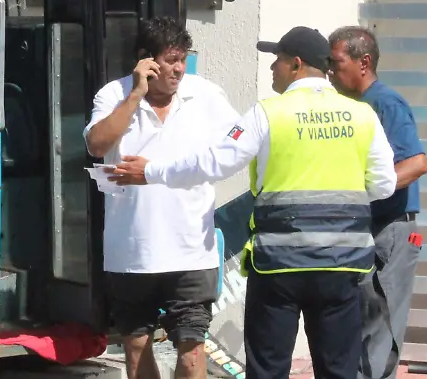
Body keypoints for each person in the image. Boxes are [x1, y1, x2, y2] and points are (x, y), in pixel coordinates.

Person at [110, 26, 396, 379]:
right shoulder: (361, 115)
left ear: (296, 64)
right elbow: (384, 185)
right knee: (338, 370)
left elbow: (215, 162)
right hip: (341, 265)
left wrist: (152, 171)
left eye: (278, 60)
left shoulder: (268, 113)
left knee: (268, 369)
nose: (273, 68)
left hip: (279, 266)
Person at [84, 16, 241, 379]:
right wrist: (135, 95)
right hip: (131, 253)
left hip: (191, 250)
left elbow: (239, 137)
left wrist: (211, 163)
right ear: (146, 60)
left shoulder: (205, 95)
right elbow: (97, 144)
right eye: (170, 60)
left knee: (192, 351)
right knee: (137, 349)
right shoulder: (114, 94)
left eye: (182, 59)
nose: (179, 69)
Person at [326, 26, 427, 379]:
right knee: (357, 330)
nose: (329, 70)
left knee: (377, 333)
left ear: (364, 62)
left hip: (390, 233)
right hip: (363, 232)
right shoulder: (350, 108)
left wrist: (362, 194)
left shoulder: (385, 103)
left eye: (336, 62)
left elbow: (416, 164)